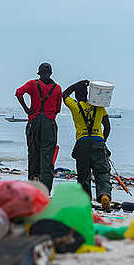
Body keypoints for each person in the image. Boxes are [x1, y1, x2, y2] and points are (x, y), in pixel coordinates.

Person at [62, 79, 112, 210]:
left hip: (82, 142)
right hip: (98, 141)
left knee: (84, 174)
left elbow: (64, 94)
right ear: (88, 94)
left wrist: (76, 84)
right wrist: (103, 142)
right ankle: (104, 194)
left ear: (77, 96)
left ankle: (85, 201)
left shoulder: (74, 106)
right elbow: (107, 126)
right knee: (102, 172)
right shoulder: (100, 107)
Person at [15, 63, 62, 191]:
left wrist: (27, 109)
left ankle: (33, 185)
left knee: (33, 153)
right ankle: (45, 190)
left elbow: (18, 93)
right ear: (51, 73)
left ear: (39, 73)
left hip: (34, 122)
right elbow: (57, 110)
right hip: (49, 124)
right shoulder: (57, 88)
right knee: (47, 157)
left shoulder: (32, 84)